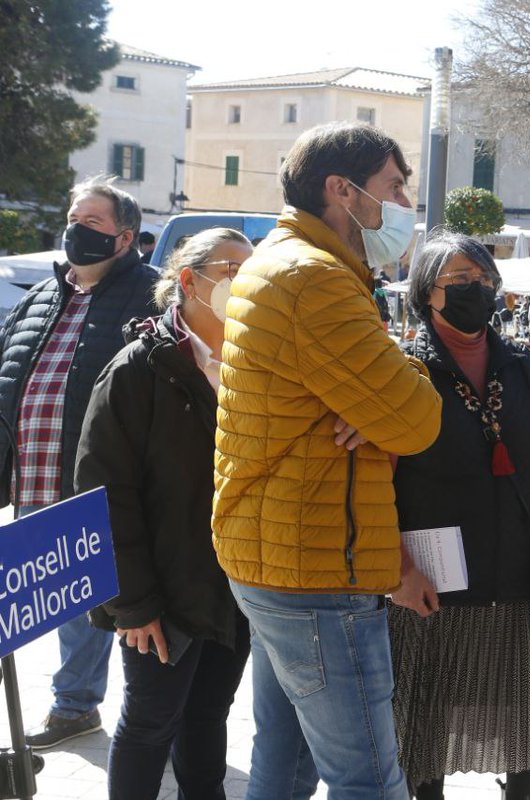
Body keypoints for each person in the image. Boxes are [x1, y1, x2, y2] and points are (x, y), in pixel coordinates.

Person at [212, 122, 443, 798]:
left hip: (284, 554)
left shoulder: (289, 263)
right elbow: (416, 421)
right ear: (342, 190)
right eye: (394, 187)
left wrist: (377, 400)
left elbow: (388, 413)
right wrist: (393, 389)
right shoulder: (314, 279)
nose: (403, 205)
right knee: (367, 778)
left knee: (282, 770)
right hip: (315, 569)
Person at [388, 233, 530, 800]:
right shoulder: (402, 372)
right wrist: (398, 567)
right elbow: (376, 482)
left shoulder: (520, 366)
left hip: (519, 571)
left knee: (528, 712)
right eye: (460, 280)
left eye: (485, 279)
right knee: (423, 723)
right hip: (431, 582)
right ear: (427, 292)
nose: (478, 290)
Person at [76, 228, 253, 799]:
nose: (244, 283)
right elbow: (105, 497)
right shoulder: (137, 370)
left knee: (208, 720)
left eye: (252, 270)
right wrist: (133, 604)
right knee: (151, 724)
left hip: (237, 587)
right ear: (187, 280)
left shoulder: (258, 366)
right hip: (162, 594)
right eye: (230, 270)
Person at [0, 177, 158, 749]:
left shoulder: (150, 295)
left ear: (124, 237)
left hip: (100, 481)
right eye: (73, 216)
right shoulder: (41, 296)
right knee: (49, 596)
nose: (76, 229)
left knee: (92, 596)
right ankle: (75, 703)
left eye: (92, 222)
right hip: (32, 476)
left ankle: (77, 706)